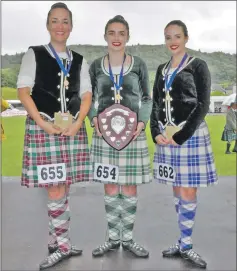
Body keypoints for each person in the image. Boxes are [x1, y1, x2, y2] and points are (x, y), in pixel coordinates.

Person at [17, 2, 92, 269]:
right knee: (55, 186)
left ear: (71, 27)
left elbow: (86, 95)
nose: (60, 26)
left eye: (65, 21)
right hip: (44, 126)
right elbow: (24, 92)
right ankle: (62, 245)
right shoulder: (34, 54)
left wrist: (78, 122)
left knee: (64, 186)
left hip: (72, 128)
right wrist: (42, 124)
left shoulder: (80, 60)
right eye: (55, 21)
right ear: (48, 25)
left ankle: (58, 239)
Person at [150, 20, 218, 268]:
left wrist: (180, 136)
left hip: (189, 136)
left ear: (186, 38)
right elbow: (156, 103)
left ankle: (186, 245)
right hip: (167, 139)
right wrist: (155, 131)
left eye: (177, 36)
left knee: (188, 190)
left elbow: (203, 105)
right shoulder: (161, 69)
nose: (172, 41)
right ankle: (182, 240)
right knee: (177, 190)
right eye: (168, 37)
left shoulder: (198, 65)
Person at [88, 15, 152, 258]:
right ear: (105, 36)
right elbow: (88, 96)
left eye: (121, 33)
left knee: (129, 186)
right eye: (112, 33)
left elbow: (146, 97)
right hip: (104, 134)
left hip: (133, 134)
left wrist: (143, 121)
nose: (116, 38)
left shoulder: (138, 64)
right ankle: (114, 238)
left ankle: (129, 239)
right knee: (111, 184)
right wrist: (93, 117)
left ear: (128, 37)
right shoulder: (95, 66)